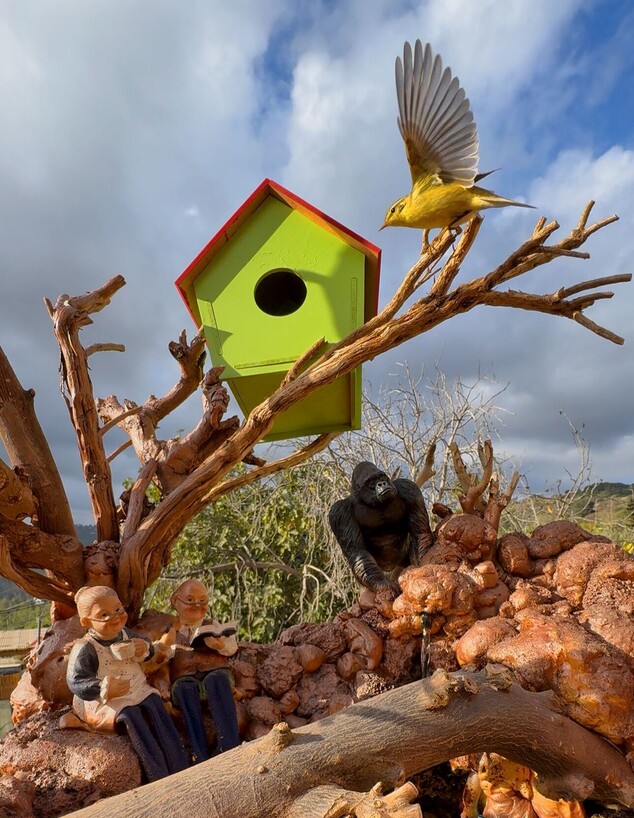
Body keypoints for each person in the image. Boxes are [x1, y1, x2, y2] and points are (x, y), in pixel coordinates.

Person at [65, 585, 189, 781]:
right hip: (108, 701)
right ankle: (156, 772)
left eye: (118, 610)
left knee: (156, 706)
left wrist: (144, 648)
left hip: (138, 689)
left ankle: (179, 763)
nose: (115, 617)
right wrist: (103, 688)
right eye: (104, 615)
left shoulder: (126, 633)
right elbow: (76, 681)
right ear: (86, 622)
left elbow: (149, 650)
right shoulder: (86, 648)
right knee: (132, 716)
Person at [166, 578, 240, 763]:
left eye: (203, 601)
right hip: (184, 676)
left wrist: (220, 644)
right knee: (184, 690)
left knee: (218, 681)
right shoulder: (169, 628)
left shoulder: (211, 623)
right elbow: (160, 654)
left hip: (213, 670)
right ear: (176, 601)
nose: (197, 605)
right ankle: (198, 752)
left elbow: (232, 648)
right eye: (190, 600)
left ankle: (229, 743)